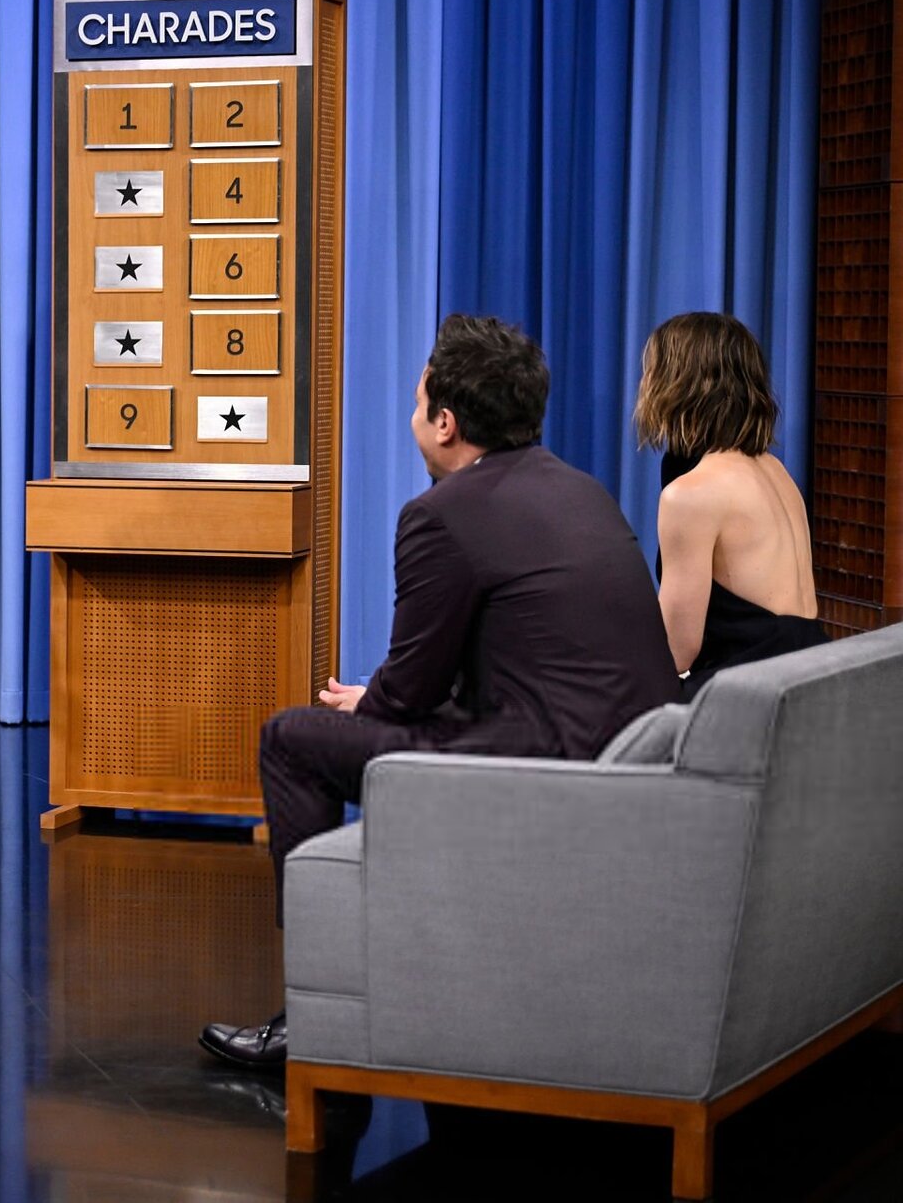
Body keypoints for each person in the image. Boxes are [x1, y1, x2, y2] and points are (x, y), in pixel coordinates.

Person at [199, 315, 679, 1071]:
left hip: (548, 770)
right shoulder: (582, 489)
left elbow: (410, 690)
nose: (413, 415)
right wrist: (387, 695)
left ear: (446, 423)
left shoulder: (439, 514)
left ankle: (317, 1015)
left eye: (419, 401)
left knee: (292, 739)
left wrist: (372, 700)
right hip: (628, 759)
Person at [633, 312, 828, 698]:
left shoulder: (691, 493)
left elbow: (676, 651)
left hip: (755, 694)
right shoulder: (775, 470)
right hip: (812, 677)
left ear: (676, 384)